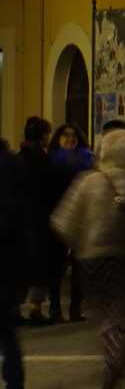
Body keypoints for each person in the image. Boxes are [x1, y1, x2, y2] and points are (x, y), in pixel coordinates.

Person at [50, 126, 125, 389]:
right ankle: (115, 367)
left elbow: (63, 221)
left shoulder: (87, 181)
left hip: (91, 259)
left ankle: (110, 360)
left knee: (105, 315)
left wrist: (79, 246)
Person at [45, 122, 92, 323]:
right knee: (56, 267)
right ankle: (55, 309)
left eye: (73, 135)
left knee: (79, 267)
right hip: (56, 217)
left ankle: (75, 309)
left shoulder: (87, 161)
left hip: (82, 218)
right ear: (58, 138)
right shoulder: (50, 161)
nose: (70, 138)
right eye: (65, 135)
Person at [0, 137, 28, 389]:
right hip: (10, 261)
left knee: (5, 329)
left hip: (4, 260)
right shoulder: (13, 163)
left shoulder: (7, 166)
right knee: (6, 329)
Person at [15, 119, 53, 326]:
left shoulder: (18, 157)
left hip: (20, 220)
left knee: (21, 265)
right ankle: (35, 309)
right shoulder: (43, 159)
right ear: (43, 136)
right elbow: (49, 189)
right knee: (39, 267)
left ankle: (16, 308)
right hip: (39, 220)